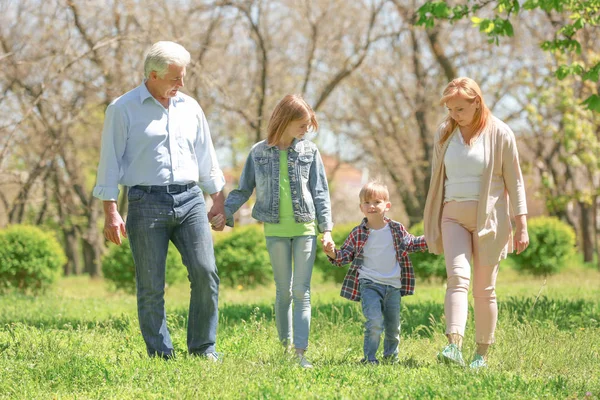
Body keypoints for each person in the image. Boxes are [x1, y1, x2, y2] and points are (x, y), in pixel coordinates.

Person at [93, 41, 226, 360]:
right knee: (151, 283)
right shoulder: (122, 109)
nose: (182, 84)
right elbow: (109, 162)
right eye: (175, 78)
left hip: (190, 199)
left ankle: (203, 347)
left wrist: (217, 200)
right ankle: (160, 351)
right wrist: (111, 211)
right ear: (152, 75)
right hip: (144, 201)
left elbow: (207, 157)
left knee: (206, 272)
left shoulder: (191, 107)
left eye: (183, 77)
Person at [423, 77, 529, 369]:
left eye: (460, 109)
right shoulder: (445, 133)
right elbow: (437, 179)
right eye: (450, 109)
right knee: (457, 278)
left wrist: (522, 224)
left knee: (484, 289)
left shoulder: (501, 134)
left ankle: (481, 354)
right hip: (452, 215)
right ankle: (453, 345)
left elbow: (516, 182)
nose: (454, 115)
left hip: (490, 220)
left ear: (477, 103)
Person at [224, 94, 334, 368]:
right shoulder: (258, 152)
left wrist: (327, 230)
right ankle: (284, 349)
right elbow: (243, 189)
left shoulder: (310, 151)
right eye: (302, 123)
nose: (306, 129)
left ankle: (300, 353)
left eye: (309, 124)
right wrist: (223, 212)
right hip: (274, 229)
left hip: (305, 227)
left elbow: (320, 192)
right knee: (283, 291)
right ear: (285, 120)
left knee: (301, 290)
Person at [323, 180, 427, 365]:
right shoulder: (358, 233)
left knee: (393, 327)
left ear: (387, 205)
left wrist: (432, 238)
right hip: (369, 284)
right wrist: (331, 252)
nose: (372, 206)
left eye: (377, 202)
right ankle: (370, 359)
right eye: (367, 202)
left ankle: (390, 358)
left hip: (393, 286)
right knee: (375, 322)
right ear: (361, 207)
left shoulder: (396, 229)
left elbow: (412, 243)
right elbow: (344, 256)